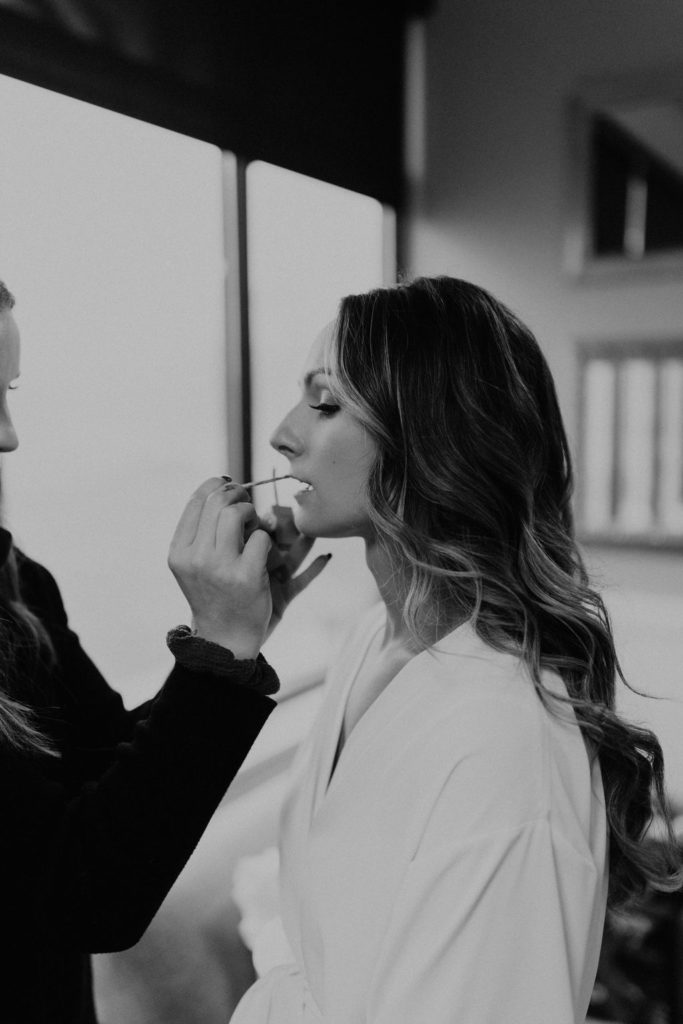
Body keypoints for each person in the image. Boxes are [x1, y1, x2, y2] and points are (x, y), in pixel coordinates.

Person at [230, 276, 681, 1024]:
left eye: (326, 402)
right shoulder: (370, 640)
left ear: (429, 437)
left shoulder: (501, 740)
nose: (282, 433)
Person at [0, 280, 328, 1023]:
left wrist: (235, 636)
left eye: (9, 392)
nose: (10, 435)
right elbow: (84, 897)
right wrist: (219, 650)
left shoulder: (16, 582)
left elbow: (104, 766)